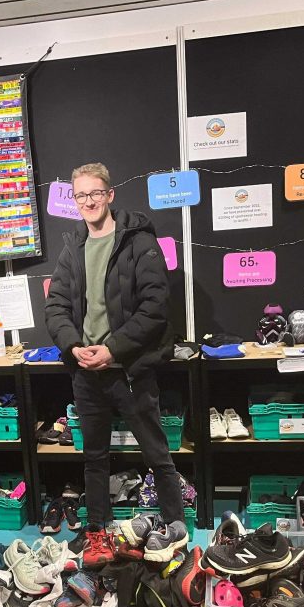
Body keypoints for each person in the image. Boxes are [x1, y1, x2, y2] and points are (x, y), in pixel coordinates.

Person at [44, 162, 185, 564]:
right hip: (86, 372)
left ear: (110, 194)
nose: (88, 201)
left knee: (157, 454)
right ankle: (97, 534)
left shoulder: (139, 242)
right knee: (94, 457)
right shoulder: (74, 246)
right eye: (80, 195)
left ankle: (175, 530)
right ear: (75, 200)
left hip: (129, 370)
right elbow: (56, 306)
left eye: (95, 193)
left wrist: (114, 349)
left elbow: (155, 307)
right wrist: (73, 346)